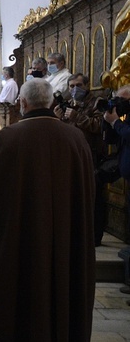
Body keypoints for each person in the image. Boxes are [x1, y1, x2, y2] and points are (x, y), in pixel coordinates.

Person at [0, 78, 95, 342]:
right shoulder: (75, 138)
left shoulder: (11, 137)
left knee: (17, 292)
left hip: (20, 239)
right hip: (63, 240)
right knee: (58, 291)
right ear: (51, 104)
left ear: (23, 103)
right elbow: (86, 194)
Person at [54, 73, 106, 245]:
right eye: (71, 86)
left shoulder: (97, 103)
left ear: (86, 85)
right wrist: (59, 119)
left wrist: (78, 117)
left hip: (92, 154)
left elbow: (100, 126)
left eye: (78, 85)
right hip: (72, 155)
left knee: (94, 197)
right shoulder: (70, 103)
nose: (75, 89)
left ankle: (94, 236)